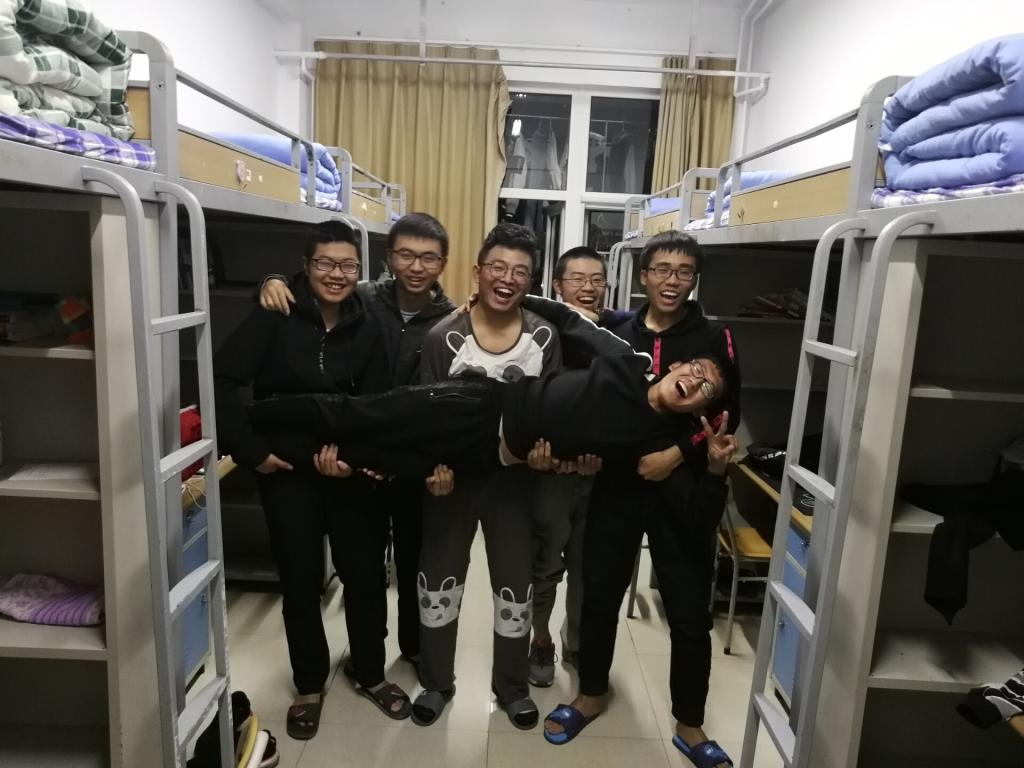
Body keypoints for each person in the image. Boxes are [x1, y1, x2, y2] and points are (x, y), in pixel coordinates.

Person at [546, 230, 741, 768]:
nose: (671, 281)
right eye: (661, 269)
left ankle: (690, 724)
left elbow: (729, 414)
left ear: (695, 279)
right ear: (643, 276)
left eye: (683, 271)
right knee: (599, 596)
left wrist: (677, 454)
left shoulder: (713, 338)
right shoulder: (618, 330)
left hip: (681, 488)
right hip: (618, 483)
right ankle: (590, 694)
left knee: (689, 611)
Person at [213, 220, 410, 740]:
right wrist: (252, 453)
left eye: (347, 265)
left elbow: (377, 404)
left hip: (348, 474)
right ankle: (308, 686)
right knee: (299, 584)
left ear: (359, 270)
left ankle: (370, 672)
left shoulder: (367, 322)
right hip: (286, 474)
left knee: (365, 580)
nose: (336, 274)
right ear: (306, 266)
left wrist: (354, 461)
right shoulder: (274, 313)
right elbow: (222, 378)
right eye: (325, 263)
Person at [257, 212, 455, 671]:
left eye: (428, 257)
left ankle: (414, 646)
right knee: (366, 568)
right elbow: (314, 284)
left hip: (412, 459)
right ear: (388, 258)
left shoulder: (452, 319)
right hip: (360, 456)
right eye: (406, 255)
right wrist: (270, 280)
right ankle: (369, 652)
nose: (416, 267)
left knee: (414, 561)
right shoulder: (361, 297)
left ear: (443, 263)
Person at [527, 246, 621, 688]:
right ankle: (540, 638)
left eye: (597, 280)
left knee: (588, 565)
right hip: (553, 471)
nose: (588, 288)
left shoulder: (618, 331)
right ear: (557, 285)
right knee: (546, 562)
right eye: (577, 279)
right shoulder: (541, 330)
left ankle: (578, 640)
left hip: (602, 474)